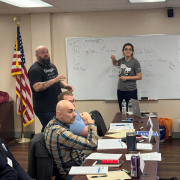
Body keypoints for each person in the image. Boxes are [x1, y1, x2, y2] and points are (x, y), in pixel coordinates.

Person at [44, 100, 98, 180]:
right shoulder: (60, 133)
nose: (74, 114)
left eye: (74, 110)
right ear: (59, 114)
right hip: (72, 171)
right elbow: (92, 144)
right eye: (70, 112)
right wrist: (89, 121)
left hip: (75, 163)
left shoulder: (52, 123)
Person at [28, 45, 74, 132]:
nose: (46, 54)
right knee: (53, 129)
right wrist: (54, 80)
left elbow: (58, 81)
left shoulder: (51, 66)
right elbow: (37, 87)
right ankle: (42, 144)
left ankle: (41, 143)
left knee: (49, 129)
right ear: (36, 55)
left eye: (47, 52)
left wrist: (66, 86)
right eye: (42, 52)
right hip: (44, 108)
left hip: (55, 106)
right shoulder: (35, 69)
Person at [111, 43, 142, 112]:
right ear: (123, 51)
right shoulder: (122, 60)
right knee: (123, 112)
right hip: (120, 90)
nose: (128, 51)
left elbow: (140, 76)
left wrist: (127, 78)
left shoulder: (135, 62)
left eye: (130, 49)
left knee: (133, 112)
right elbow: (115, 63)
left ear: (132, 51)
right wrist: (113, 59)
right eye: (126, 49)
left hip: (131, 91)